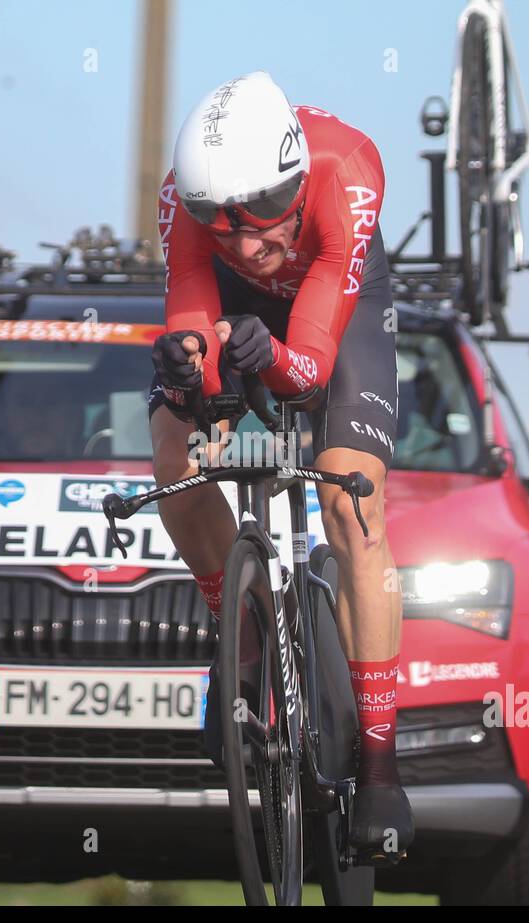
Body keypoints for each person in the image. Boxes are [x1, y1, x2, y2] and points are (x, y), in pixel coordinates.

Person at [147, 71, 412, 857]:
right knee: (178, 457)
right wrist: (196, 371)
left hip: (338, 306)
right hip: (231, 309)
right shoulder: (188, 204)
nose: (249, 244)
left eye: (263, 219)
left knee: (352, 506)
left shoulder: (349, 171)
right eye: (222, 228)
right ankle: (245, 641)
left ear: (294, 181)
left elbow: (313, 369)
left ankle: (381, 759)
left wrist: (278, 361)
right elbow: (192, 326)